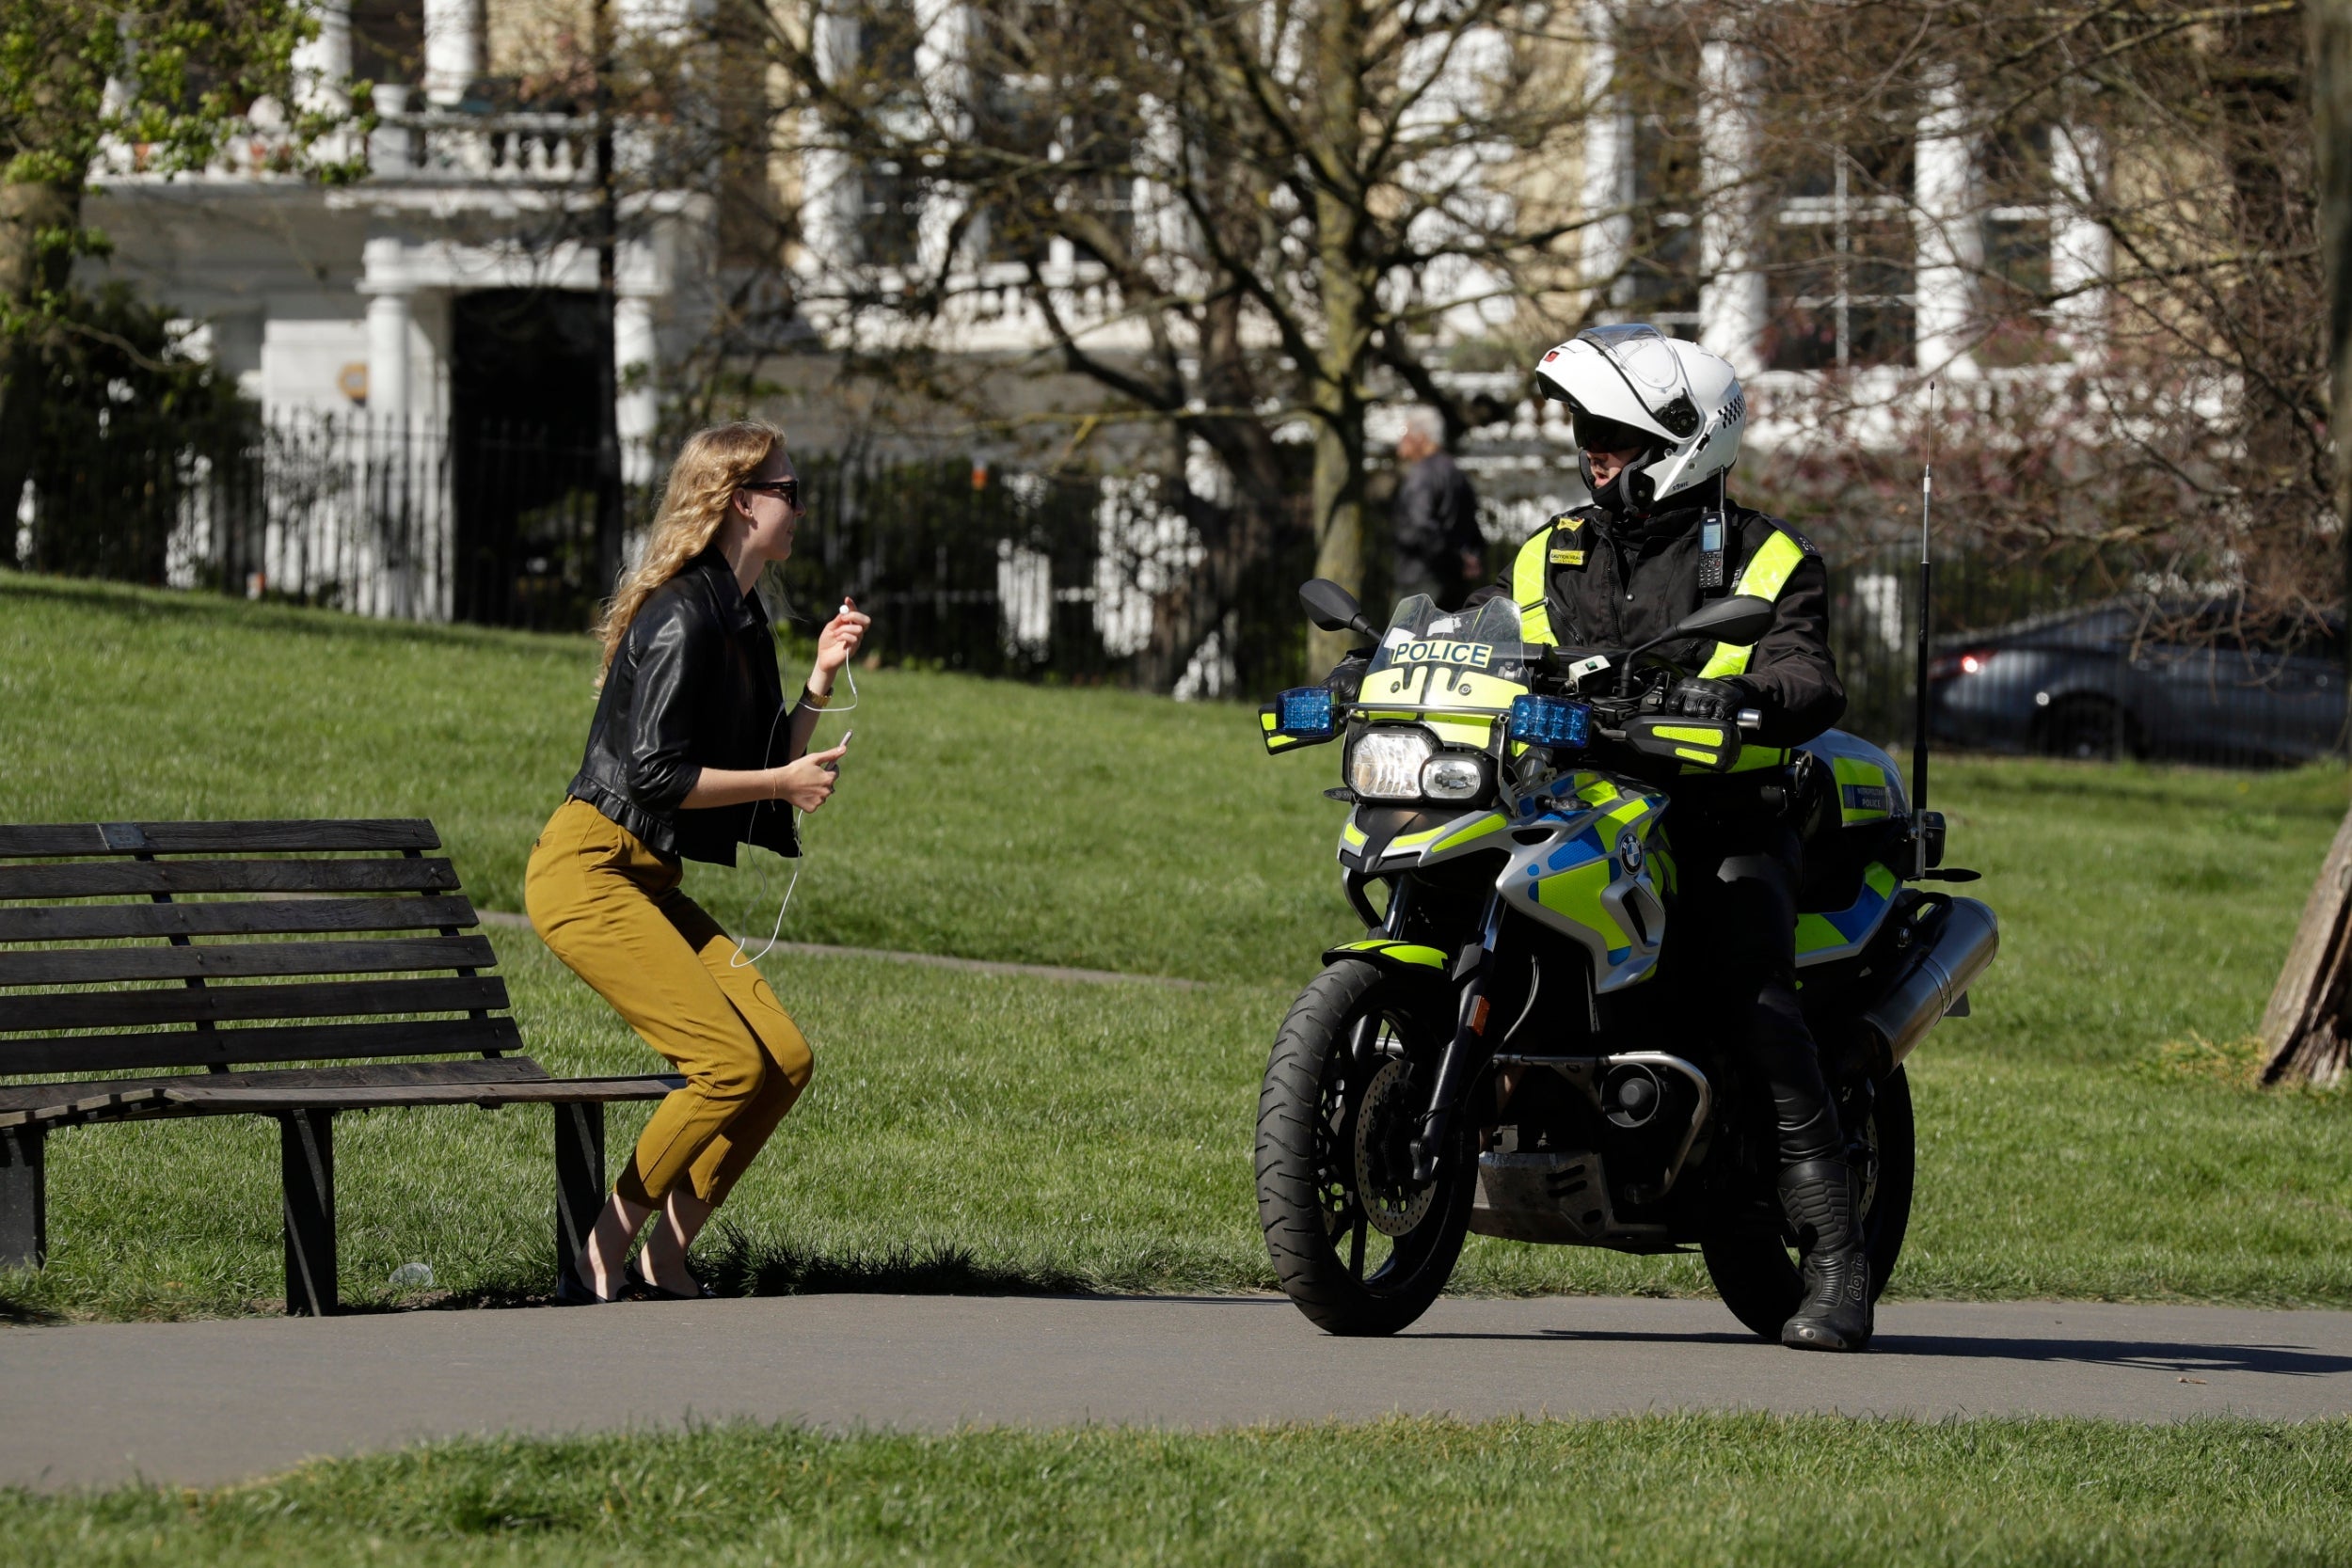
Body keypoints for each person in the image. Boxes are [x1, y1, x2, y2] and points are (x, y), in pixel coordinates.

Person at [1479, 325, 1866, 1352]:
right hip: (1581, 800)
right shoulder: (1550, 548)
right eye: (1585, 429)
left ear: (1683, 441)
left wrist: (1739, 693)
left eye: (1610, 431)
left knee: (1752, 996)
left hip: (1723, 810)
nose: (1589, 446)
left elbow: (1808, 675)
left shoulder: (1767, 555)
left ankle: (1836, 1261)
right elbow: (1498, 648)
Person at [525, 420, 869, 1305]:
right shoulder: (684, 610)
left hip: (644, 876)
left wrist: (820, 682)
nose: (798, 506)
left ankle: (666, 1254)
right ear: (738, 500)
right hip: (588, 872)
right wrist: (783, 779)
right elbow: (659, 773)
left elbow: (757, 760)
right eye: (787, 491)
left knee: (782, 1058)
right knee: (726, 1062)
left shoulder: (742, 614)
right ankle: (603, 1247)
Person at [1391, 407, 1486, 608]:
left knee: (1408, 639)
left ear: (1420, 437)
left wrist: (1451, 557)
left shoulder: (1422, 475)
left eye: (1404, 432)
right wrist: (1468, 559)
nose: (1400, 441)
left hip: (1421, 583)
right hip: (1456, 584)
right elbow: (1473, 527)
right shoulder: (1456, 473)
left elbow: (1420, 526)